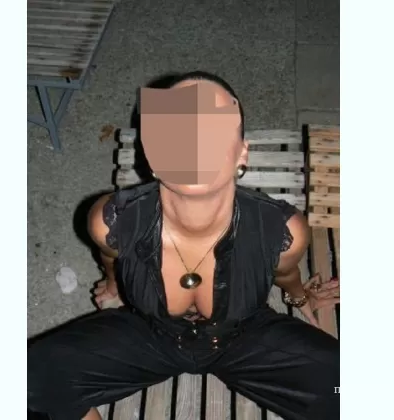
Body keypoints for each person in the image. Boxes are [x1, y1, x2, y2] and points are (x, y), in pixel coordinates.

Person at [28, 71, 340, 420]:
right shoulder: (112, 220)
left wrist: (301, 298)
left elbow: (286, 273)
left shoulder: (283, 229)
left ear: (242, 153)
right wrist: (113, 282)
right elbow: (109, 255)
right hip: (149, 333)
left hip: (245, 336)